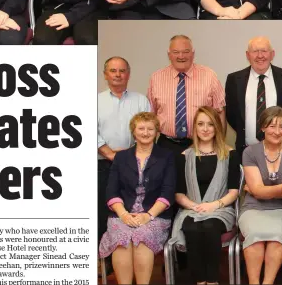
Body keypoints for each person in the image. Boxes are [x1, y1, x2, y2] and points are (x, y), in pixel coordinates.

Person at [98, 112, 175, 285]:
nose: (145, 132)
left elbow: (168, 192)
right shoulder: (121, 157)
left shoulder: (167, 156)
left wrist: (147, 216)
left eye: (150, 129)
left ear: (157, 132)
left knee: (141, 235)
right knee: (121, 237)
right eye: (141, 128)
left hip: (154, 216)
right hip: (122, 214)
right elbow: (111, 191)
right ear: (133, 131)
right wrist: (124, 215)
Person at [171, 107, 241, 285]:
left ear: (217, 127)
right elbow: (179, 194)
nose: (205, 128)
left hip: (221, 209)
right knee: (193, 228)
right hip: (191, 208)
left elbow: (234, 192)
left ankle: (212, 280)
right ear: (194, 127)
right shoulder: (184, 156)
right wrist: (195, 206)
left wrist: (213, 205)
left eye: (210, 124)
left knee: (209, 226)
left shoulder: (230, 154)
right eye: (200, 124)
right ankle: (199, 281)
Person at [239, 106, 282, 285]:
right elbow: (281, 188)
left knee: (276, 236)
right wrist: (261, 190)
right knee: (255, 236)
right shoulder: (250, 152)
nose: (277, 131)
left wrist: (257, 190)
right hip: (253, 208)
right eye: (272, 126)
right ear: (263, 127)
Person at [97, 57, 152, 240]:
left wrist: (129, 156)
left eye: (122, 71)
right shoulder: (95, 101)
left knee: (128, 208)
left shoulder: (141, 101)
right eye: (113, 71)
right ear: (105, 75)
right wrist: (111, 154)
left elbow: (148, 130)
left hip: (133, 166)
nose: (118, 75)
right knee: (102, 210)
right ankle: (101, 260)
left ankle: (124, 251)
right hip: (102, 164)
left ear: (128, 74)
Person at [147, 35, 226, 157]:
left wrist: (219, 144)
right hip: (166, 145)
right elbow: (150, 116)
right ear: (169, 55)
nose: (181, 56)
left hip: (201, 144)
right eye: (176, 52)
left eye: (186, 52)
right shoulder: (156, 78)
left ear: (193, 53)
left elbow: (219, 112)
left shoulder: (209, 76)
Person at [224, 36, 282, 153]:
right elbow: (231, 114)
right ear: (248, 55)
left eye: (264, 51)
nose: (260, 56)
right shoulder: (234, 80)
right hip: (247, 150)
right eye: (255, 51)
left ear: (272, 54)